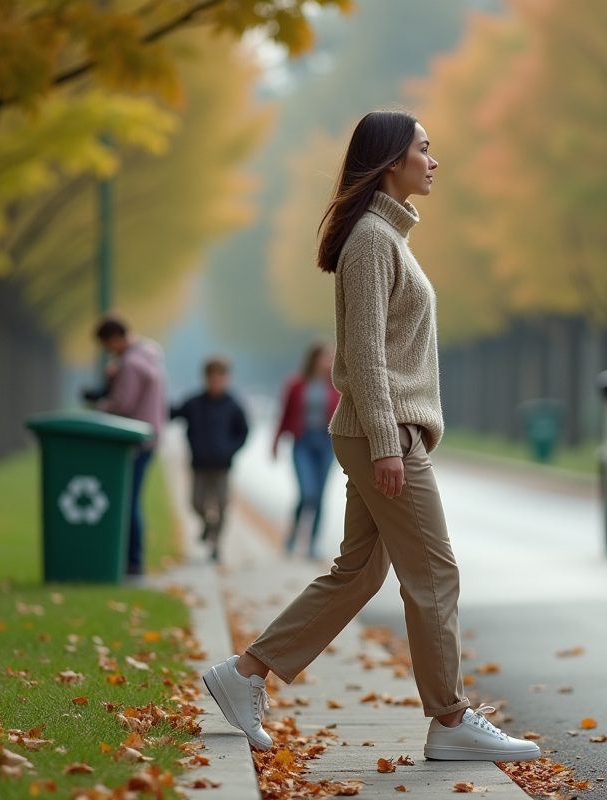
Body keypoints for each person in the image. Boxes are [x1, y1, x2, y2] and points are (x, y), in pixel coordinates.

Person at [200, 110, 540, 763]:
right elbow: (364, 354)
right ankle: (450, 719)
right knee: (435, 572)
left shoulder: (385, 237)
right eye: (424, 149)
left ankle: (245, 673)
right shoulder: (371, 241)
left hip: (382, 432)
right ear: (391, 161)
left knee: (357, 573)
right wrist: (387, 441)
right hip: (384, 435)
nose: (433, 161)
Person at [95, 316, 167, 576]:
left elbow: (123, 403)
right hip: (151, 435)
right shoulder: (149, 355)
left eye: (107, 346)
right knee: (132, 497)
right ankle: (133, 558)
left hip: (134, 438)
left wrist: (100, 405)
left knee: (128, 499)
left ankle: (133, 560)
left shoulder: (131, 363)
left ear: (114, 339)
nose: (108, 352)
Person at [169, 357, 249, 562]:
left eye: (219, 377)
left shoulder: (233, 405)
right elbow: (172, 413)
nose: (215, 381)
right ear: (205, 378)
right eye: (211, 376)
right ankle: (207, 526)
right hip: (199, 464)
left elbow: (244, 431)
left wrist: (230, 450)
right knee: (196, 503)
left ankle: (216, 544)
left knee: (222, 505)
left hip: (222, 466)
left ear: (226, 379)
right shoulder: (194, 403)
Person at [274, 342, 341, 559]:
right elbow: (284, 414)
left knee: (320, 496)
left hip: (326, 443)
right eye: (325, 357)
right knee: (307, 493)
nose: (329, 361)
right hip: (302, 442)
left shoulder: (337, 385)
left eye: (331, 357)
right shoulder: (296, 384)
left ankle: (312, 544)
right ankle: (293, 535)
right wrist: (275, 442)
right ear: (313, 359)